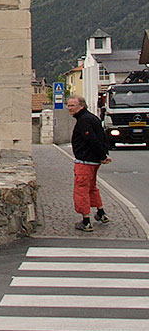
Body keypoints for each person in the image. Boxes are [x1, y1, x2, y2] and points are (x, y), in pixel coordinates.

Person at [66, 95, 111, 232]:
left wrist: (102, 155)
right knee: (92, 187)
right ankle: (101, 213)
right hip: (93, 161)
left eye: (73, 105)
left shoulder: (83, 121)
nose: (70, 108)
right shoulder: (92, 118)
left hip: (85, 162)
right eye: (68, 105)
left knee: (81, 190)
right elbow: (102, 137)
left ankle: (86, 221)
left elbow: (92, 140)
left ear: (81, 106)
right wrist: (103, 155)